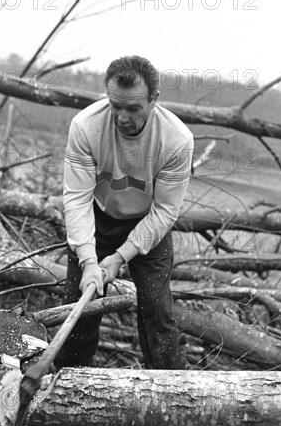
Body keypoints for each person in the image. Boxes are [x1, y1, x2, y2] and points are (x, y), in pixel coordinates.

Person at [55, 55, 194, 371]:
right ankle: (70, 380)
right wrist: (89, 261)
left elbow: (165, 211)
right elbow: (77, 199)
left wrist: (119, 258)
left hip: (149, 222)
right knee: (82, 304)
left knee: (156, 310)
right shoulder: (86, 127)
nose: (121, 117)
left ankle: (170, 386)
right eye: (115, 106)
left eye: (133, 108)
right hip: (98, 216)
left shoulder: (176, 140)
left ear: (153, 100)